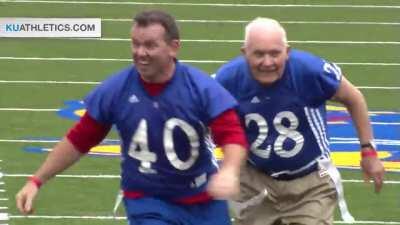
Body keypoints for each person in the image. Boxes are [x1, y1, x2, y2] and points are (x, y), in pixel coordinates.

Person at [16, 10, 248, 225]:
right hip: (147, 199)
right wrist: (37, 180)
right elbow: (80, 139)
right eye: (135, 44)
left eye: (150, 45)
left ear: (173, 47)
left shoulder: (200, 88)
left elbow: (232, 135)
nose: (140, 53)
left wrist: (229, 170)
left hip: (203, 199)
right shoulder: (117, 90)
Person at [215, 17, 385, 225]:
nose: (267, 62)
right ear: (244, 53)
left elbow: (354, 98)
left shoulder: (310, 70)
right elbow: (203, 116)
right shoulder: (228, 78)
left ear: (287, 51)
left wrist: (369, 151)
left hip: (310, 181)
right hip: (255, 179)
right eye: (258, 53)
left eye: (275, 53)